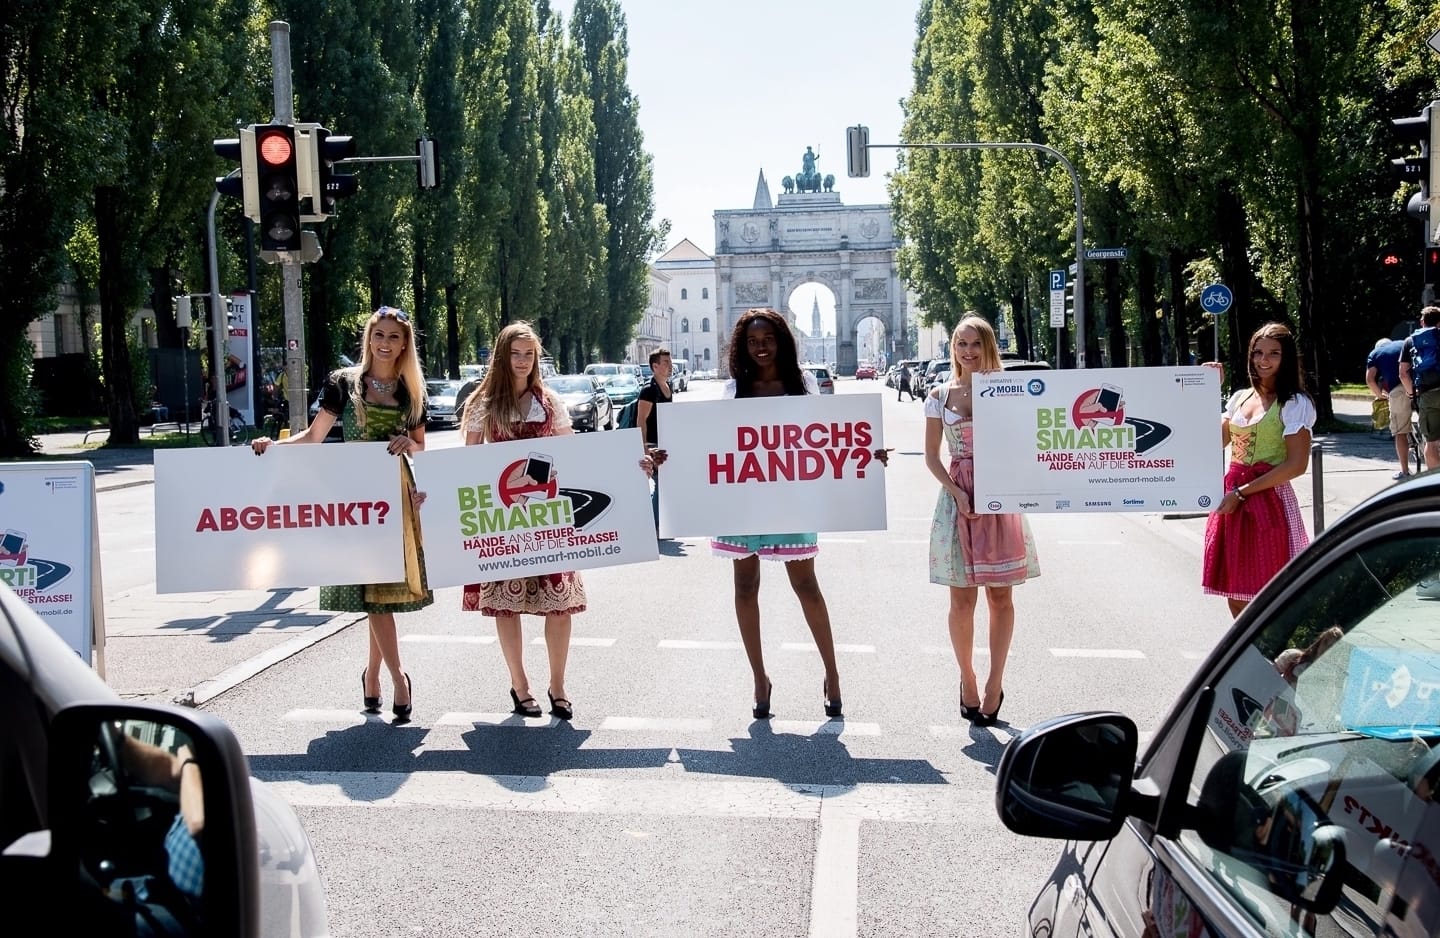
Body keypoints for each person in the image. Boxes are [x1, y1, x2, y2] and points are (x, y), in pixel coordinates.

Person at [251, 306, 430, 720]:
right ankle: (398, 679)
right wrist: (272, 447)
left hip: (396, 495)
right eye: (378, 335)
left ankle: (371, 675)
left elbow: (421, 445)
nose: (385, 343)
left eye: (393, 337)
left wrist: (408, 444)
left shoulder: (410, 390)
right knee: (374, 593)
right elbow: (314, 437)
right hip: (354, 500)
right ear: (369, 338)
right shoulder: (344, 383)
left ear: (404, 344)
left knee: (380, 593)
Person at [710, 308, 888, 720]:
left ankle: (833, 673)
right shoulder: (733, 390)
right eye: (753, 341)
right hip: (744, 501)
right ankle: (759, 678)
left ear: (781, 342)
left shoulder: (802, 384)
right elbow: (711, 443)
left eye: (767, 340)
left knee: (807, 586)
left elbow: (828, 440)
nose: (760, 348)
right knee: (744, 587)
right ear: (743, 346)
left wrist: (868, 453)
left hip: (791, 500)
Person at [459, 323, 586, 721]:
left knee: (560, 605)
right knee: (506, 606)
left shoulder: (549, 401)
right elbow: (470, 462)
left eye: (528, 354)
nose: (522, 361)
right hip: (505, 517)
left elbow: (573, 453)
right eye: (515, 353)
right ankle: (520, 685)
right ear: (502, 356)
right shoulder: (484, 402)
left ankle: (558, 685)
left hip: (547, 517)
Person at [924, 316, 1039, 727]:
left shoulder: (1009, 392)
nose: (967, 351)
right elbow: (931, 457)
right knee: (961, 601)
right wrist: (958, 494)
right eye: (960, 344)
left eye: (975, 344)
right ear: (953, 348)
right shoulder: (939, 395)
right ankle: (967, 678)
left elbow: (1036, 437)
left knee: (1001, 598)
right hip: (959, 497)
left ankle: (995, 682)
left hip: (999, 497)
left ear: (988, 346)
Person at [1201, 322, 1316, 618]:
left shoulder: (1294, 403)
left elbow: (1296, 465)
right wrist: (1206, 389)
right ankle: (1252, 659)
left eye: (1273, 354)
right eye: (1258, 353)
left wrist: (1242, 492)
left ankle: (1275, 660)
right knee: (1236, 592)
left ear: (1286, 358)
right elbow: (1213, 442)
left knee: (1266, 595)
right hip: (1233, 500)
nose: (1264, 360)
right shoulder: (1240, 397)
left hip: (1269, 500)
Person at [635, 347, 674, 534]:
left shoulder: (667, 387)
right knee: (659, 482)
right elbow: (641, 420)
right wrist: (644, 448)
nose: (670, 366)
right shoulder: (649, 391)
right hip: (652, 444)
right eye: (665, 362)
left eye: (670, 362)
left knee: (664, 483)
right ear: (655, 366)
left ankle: (656, 522)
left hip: (666, 442)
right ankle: (651, 523)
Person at [1367, 331, 1413, 479]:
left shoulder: (1375, 353)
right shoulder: (1403, 343)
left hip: (1399, 389)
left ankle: (1405, 471)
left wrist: (1380, 395)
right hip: (1420, 384)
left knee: (1400, 432)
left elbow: (1370, 379)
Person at [1400, 306, 1440, 471]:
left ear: (1421, 322)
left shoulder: (1410, 341)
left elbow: (1403, 373)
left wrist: (1412, 396)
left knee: (1430, 442)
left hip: (1427, 395)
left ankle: (1434, 485)